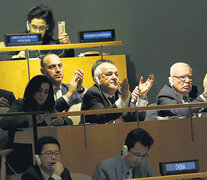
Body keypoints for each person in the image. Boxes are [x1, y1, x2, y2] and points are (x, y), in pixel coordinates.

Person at [80, 59, 154, 124]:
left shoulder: (121, 92)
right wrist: (123, 99)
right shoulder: (92, 93)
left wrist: (141, 96)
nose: (114, 77)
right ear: (97, 80)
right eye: (109, 74)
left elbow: (137, 118)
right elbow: (102, 117)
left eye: (116, 74)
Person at [0, 75, 72, 130]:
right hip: (23, 144)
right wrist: (26, 121)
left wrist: (62, 121)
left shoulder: (49, 107)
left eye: (46, 92)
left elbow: (69, 121)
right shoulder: (20, 104)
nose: (42, 95)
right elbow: (4, 122)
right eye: (39, 90)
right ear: (32, 91)